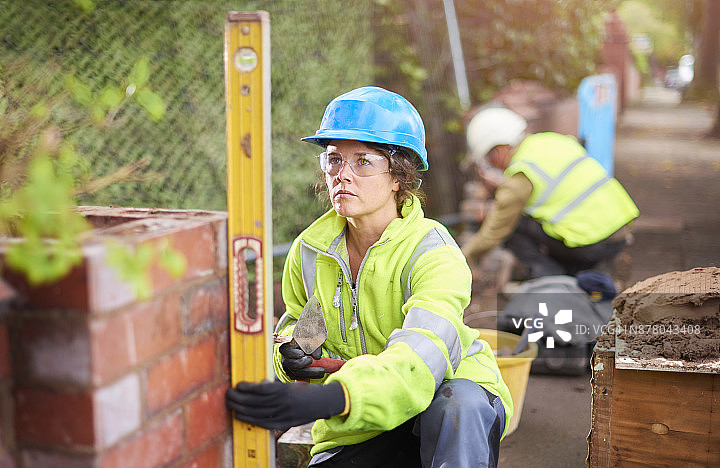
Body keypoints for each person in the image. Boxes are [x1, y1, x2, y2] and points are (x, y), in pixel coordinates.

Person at [226, 87, 513, 468]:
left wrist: (333, 397)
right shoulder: (310, 250)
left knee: (458, 403)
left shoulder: (433, 251)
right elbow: (299, 322)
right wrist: (292, 355)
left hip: (439, 404)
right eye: (333, 160)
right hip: (362, 417)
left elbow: (422, 355)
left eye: (363, 161)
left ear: (399, 175)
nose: (342, 175)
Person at [461, 106, 639, 279]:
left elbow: (494, 232)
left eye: (488, 160)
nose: (491, 166)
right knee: (542, 220)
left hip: (590, 241)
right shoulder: (551, 141)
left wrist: (462, 259)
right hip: (618, 230)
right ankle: (590, 269)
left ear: (499, 150)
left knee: (514, 225)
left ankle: (555, 280)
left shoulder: (520, 176)